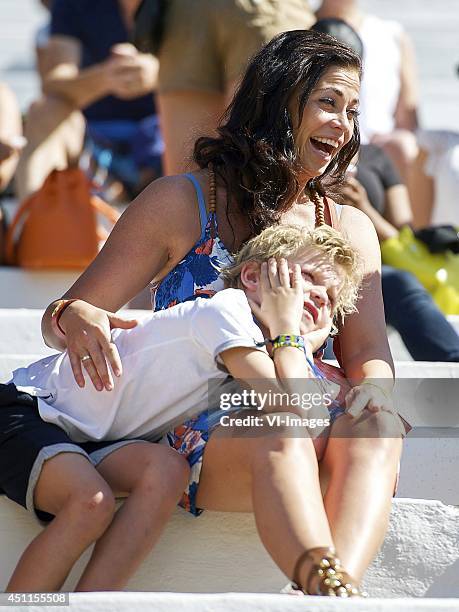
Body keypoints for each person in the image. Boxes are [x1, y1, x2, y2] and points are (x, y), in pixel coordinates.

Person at [38, 30, 405, 596]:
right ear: (278, 101)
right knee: (275, 418)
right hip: (207, 419)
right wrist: (76, 318)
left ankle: (338, 594)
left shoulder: (349, 226)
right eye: (328, 103)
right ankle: (325, 587)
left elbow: (368, 355)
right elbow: (62, 316)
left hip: (309, 405)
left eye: (353, 110)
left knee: (376, 421)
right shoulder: (182, 202)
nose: (343, 124)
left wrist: (373, 391)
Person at [15, 0, 162, 204]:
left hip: (169, 136)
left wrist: (159, 74)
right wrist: (107, 77)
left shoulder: (190, 6)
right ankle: (36, 223)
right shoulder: (73, 5)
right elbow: (54, 84)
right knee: (45, 111)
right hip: (91, 141)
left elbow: (216, 81)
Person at [156, 0, 315, 174]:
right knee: (185, 178)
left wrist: (339, 21)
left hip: (267, 12)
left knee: (261, 165)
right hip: (182, 15)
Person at [341, 144, 459, 362]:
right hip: (315, 265)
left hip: (370, 272)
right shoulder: (302, 152)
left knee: (400, 282)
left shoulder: (375, 156)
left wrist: (363, 209)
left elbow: (404, 236)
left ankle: (453, 360)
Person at [314, 1, 419, 193]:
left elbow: (408, 119)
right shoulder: (298, 29)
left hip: (376, 146)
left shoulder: (392, 35)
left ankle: (409, 222)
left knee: (404, 144)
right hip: (321, 137)